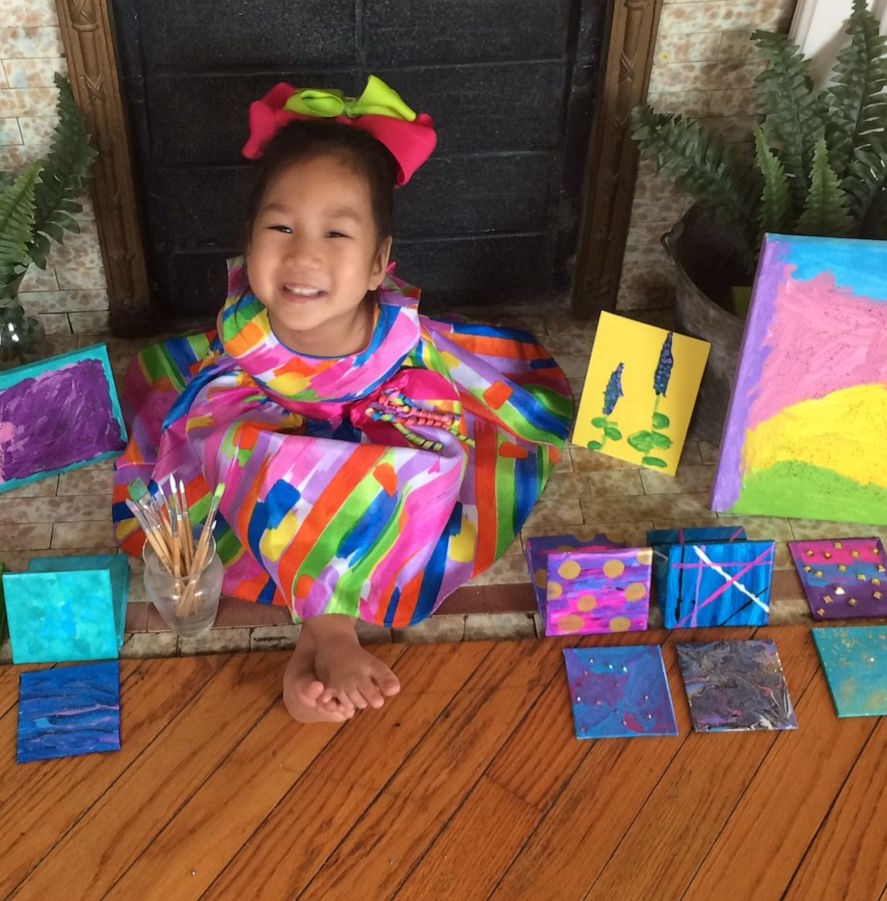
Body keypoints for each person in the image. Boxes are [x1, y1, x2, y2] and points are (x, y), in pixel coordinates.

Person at [114, 76, 573, 722]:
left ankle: (315, 640)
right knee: (248, 460)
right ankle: (333, 632)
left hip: (384, 414)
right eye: (280, 226)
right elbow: (224, 416)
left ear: (379, 263)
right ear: (249, 242)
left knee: (414, 476)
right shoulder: (245, 330)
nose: (303, 253)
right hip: (266, 420)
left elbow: (441, 390)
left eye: (336, 235)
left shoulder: (397, 336)